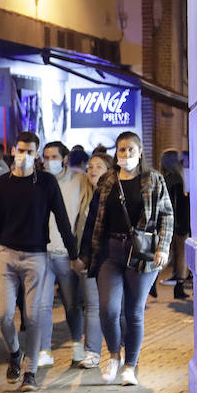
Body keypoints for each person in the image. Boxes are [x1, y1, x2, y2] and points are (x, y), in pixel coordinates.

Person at [74, 132, 174, 386]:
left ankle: (130, 365)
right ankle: (113, 355)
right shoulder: (108, 180)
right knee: (108, 310)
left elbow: (166, 216)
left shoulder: (153, 179)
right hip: (110, 250)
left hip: (143, 253)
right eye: (121, 150)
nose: (126, 155)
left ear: (140, 152)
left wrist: (163, 247)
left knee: (134, 312)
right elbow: (94, 220)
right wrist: (85, 254)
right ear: (116, 153)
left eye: (131, 150)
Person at [0, 131, 78, 392]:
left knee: (34, 315)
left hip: (37, 256)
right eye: (20, 151)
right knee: (3, 315)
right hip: (6, 254)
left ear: (36, 155)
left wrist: (73, 255)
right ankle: (15, 353)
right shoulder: (2, 183)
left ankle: (30, 372)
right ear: (14, 151)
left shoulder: (47, 183)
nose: (24, 156)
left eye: (29, 152)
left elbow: (62, 220)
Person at [36, 141, 92, 368]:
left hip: (66, 253)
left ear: (65, 158)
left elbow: (86, 215)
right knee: (42, 305)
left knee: (71, 304)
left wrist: (79, 252)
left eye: (54, 156)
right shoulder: (38, 181)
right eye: (46, 157)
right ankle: (44, 349)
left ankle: (77, 345)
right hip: (41, 252)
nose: (50, 161)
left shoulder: (79, 181)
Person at [74, 153, 112, 368]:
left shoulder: (114, 194)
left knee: (114, 307)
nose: (93, 170)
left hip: (110, 259)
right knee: (92, 306)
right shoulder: (85, 196)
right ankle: (92, 352)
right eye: (90, 167)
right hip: (88, 260)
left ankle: (120, 350)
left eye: (99, 166)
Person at [159, 149, 190, 300]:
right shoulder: (177, 178)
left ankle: (152, 283)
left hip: (167, 221)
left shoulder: (164, 178)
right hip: (178, 223)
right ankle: (179, 287)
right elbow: (177, 204)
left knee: (170, 254)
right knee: (180, 255)